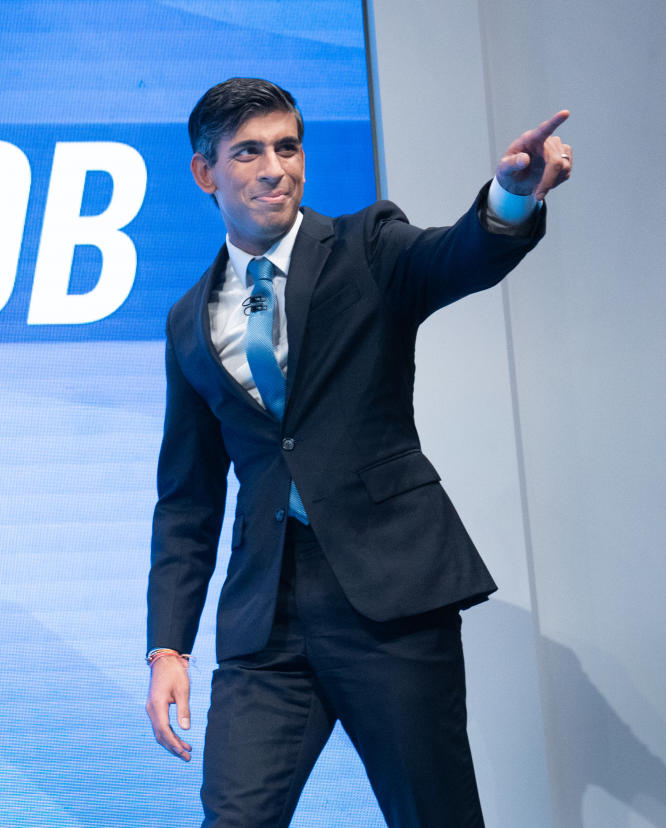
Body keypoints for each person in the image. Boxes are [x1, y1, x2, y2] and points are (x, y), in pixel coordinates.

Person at [144, 77, 571, 827]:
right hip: (265, 618)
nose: (275, 167)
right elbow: (188, 498)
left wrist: (510, 198)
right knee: (235, 818)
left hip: (390, 598)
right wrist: (167, 649)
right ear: (205, 173)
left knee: (433, 815)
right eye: (248, 152)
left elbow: (458, 257)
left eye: (287, 146)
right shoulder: (187, 319)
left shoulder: (368, 246)